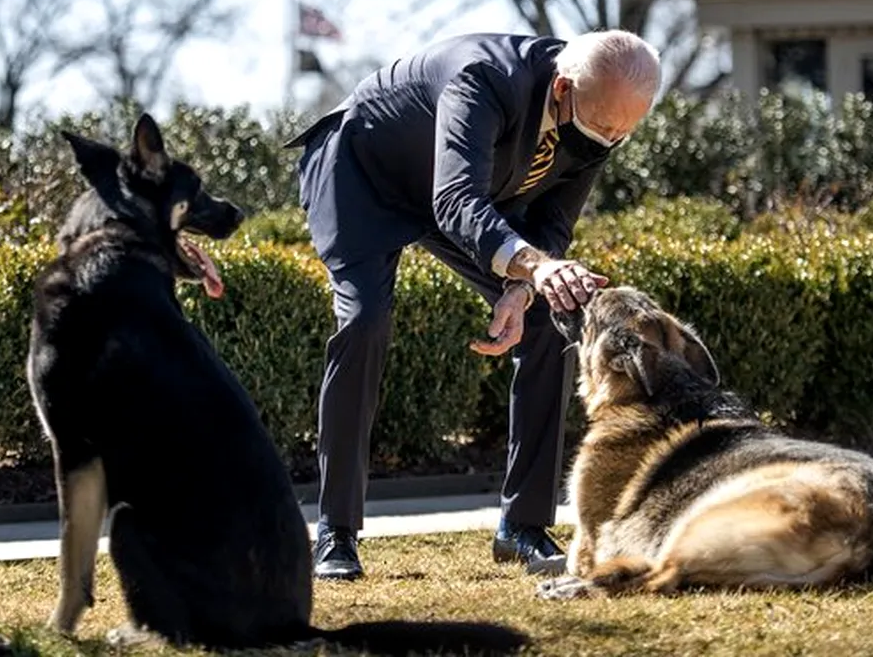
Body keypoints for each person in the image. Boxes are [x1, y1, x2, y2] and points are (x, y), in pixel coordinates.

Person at [283, 29, 660, 580]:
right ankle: (336, 532)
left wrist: (522, 287)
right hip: (361, 173)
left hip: (455, 197)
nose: (609, 141)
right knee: (364, 320)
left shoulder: (600, 111)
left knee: (548, 323)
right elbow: (455, 199)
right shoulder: (483, 79)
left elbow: (553, 223)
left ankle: (522, 528)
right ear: (561, 89)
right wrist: (534, 265)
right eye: (603, 128)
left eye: (622, 133)